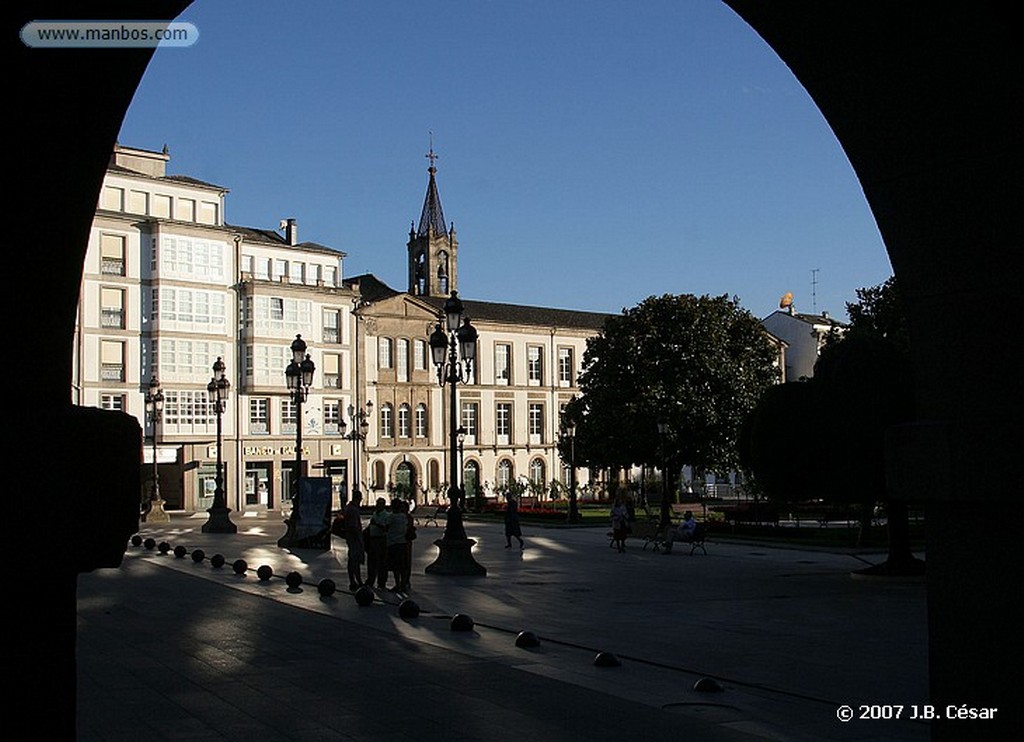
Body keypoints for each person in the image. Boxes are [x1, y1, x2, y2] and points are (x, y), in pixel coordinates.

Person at [384, 499, 410, 592]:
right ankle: (403, 584)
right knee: (402, 565)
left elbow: (386, 528)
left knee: (395, 566)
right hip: (402, 542)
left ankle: (398, 584)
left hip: (393, 543)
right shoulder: (404, 517)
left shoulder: (391, 517)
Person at [364, 497, 389, 589]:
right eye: (377, 504)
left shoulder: (386, 515)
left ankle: (381, 581)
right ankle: (371, 579)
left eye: (380, 504)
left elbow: (386, 528)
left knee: (382, 562)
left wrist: (377, 524)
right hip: (372, 539)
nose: (378, 506)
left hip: (381, 539)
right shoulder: (375, 514)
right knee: (371, 561)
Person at [343, 491, 365, 590]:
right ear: (359, 498)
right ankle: (357, 580)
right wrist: (359, 538)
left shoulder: (348, 508)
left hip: (350, 537)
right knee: (355, 560)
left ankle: (353, 580)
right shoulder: (353, 510)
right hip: (354, 538)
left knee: (352, 559)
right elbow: (353, 526)